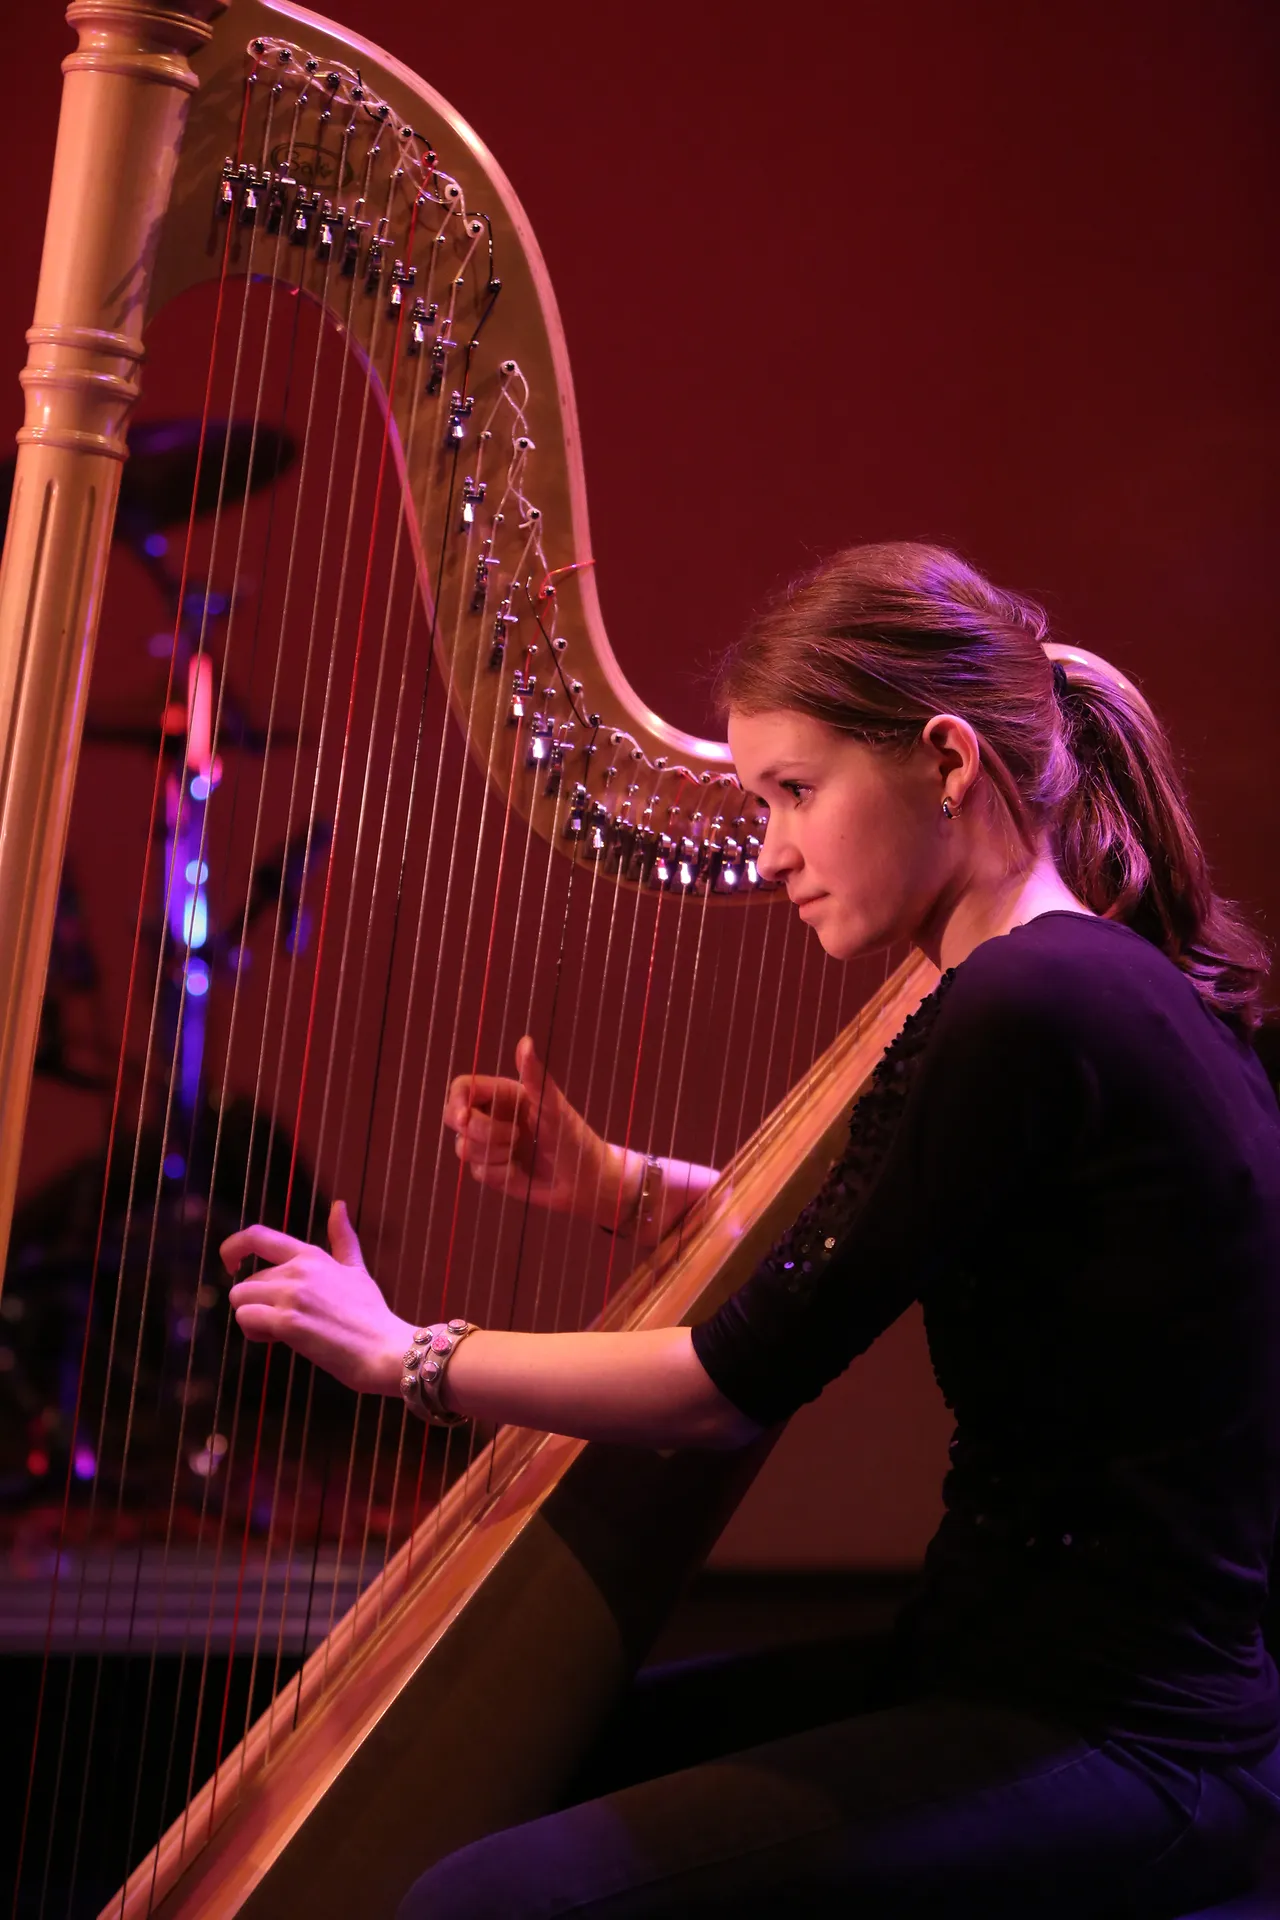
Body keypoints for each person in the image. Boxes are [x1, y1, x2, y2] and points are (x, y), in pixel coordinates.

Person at [222, 543, 1280, 1916]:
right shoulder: (1066, 981)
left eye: (794, 791)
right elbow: (883, 1227)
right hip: (996, 1669)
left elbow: (724, 1386)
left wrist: (406, 1354)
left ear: (950, 762)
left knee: (482, 1901)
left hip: (1120, 1737)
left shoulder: (1033, 1005)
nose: (769, 847)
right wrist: (618, 1188)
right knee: (516, 1760)